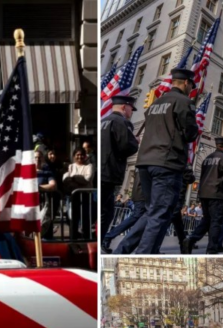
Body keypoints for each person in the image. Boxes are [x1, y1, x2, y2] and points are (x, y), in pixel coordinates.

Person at [116, 68, 198, 254]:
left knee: (152, 212)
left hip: (145, 161)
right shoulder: (184, 102)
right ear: (186, 83)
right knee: (159, 212)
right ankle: (142, 254)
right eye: (191, 86)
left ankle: (123, 250)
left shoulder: (156, 102)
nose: (191, 89)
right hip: (166, 162)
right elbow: (190, 133)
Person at [100, 95, 139, 249]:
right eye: (131, 108)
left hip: (101, 171)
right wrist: (135, 142)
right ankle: (100, 242)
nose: (131, 112)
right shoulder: (122, 122)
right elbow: (126, 146)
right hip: (109, 172)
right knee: (105, 213)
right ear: (124, 107)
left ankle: (102, 241)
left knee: (107, 212)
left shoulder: (103, 121)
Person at [183, 137, 223, 254]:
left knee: (207, 220)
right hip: (217, 193)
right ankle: (211, 248)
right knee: (216, 221)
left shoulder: (207, 158)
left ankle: (191, 240)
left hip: (204, 193)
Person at [62, 147, 95, 239]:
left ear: (85, 156)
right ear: (74, 156)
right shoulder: (71, 166)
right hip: (74, 195)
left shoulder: (89, 166)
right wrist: (78, 179)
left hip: (85, 195)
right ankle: (74, 237)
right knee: (73, 217)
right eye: (77, 155)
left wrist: (73, 178)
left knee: (85, 217)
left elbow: (87, 179)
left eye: (81, 155)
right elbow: (66, 179)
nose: (79, 157)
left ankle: (86, 237)